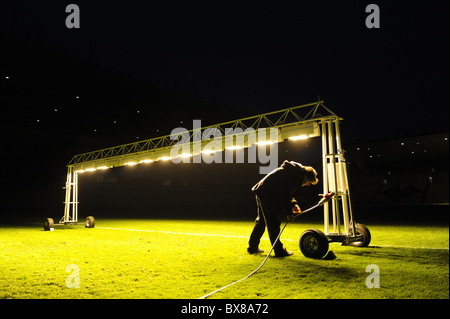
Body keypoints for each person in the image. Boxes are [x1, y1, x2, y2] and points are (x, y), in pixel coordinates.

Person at [248, 160, 319, 257]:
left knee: (261, 221)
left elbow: (288, 193)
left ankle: (252, 247)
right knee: (273, 223)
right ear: (305, 177)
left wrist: (294, 204)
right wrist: (288, 213)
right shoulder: (293, 176)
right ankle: (279, 251)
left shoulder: (295, 174)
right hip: (267, 195)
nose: (307, 185)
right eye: (308, 182)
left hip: (262, 191)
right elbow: (284, 194)